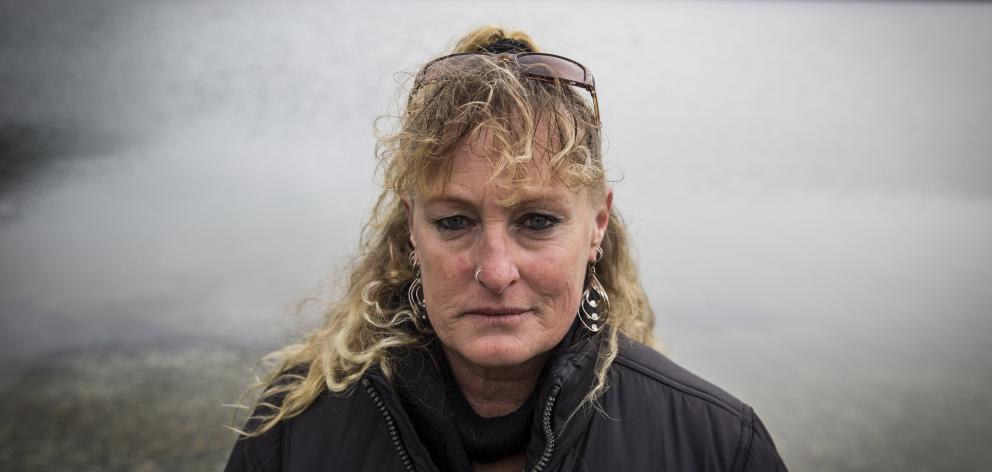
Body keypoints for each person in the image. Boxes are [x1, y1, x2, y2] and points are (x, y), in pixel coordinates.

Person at [224, 25, 787, 472]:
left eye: (537, 221)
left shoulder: (716, 445)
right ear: (410, 229)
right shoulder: (293, 432)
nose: (495, 271)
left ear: (597, 225)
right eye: (454, 222)